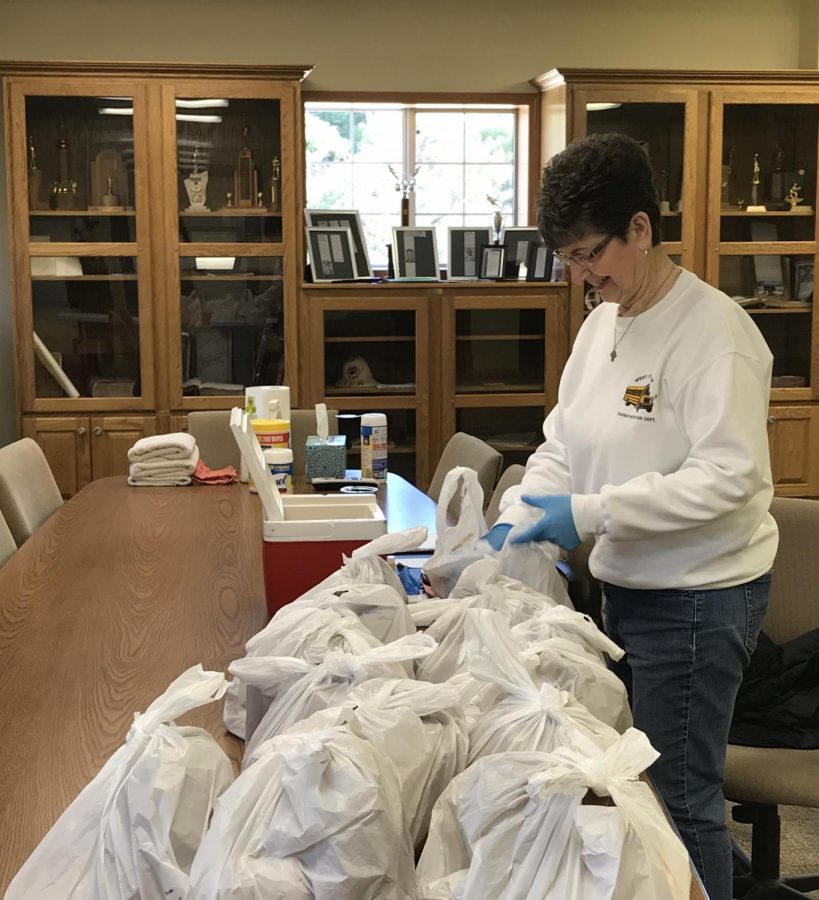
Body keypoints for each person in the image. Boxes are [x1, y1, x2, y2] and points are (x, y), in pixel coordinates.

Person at [485, 132, 778, 900]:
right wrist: (520, 507)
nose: (582, 276)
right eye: (570, 260)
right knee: (635, 794)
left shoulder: (714, 337)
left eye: (591, 254)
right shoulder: (602, 323)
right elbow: (562, 440)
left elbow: (728, 478)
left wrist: (587, 512)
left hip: (695, 599)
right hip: (626, 591)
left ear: (640, 229)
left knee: (678, 802)